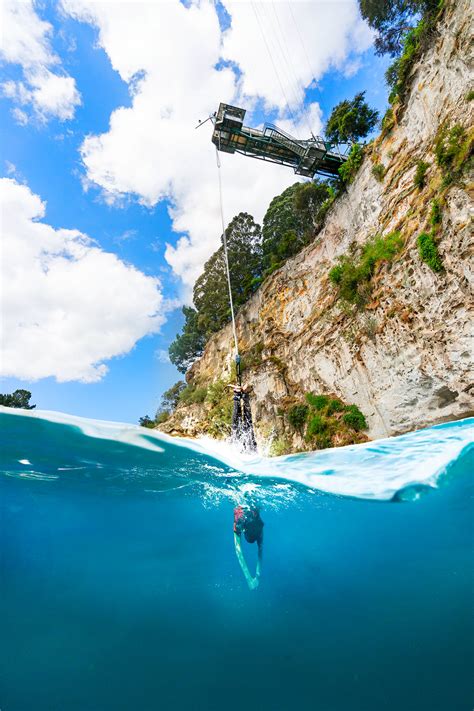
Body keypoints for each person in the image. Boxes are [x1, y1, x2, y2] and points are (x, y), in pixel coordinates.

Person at [233, 505, 264, 590]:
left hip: (250, 509)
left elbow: (238, 552)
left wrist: (253, 578)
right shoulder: (239, 524)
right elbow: (238, 551)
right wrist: (251, 578)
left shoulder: (259, 527)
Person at [228, 383, 257, 452]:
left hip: (249, 449)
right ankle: (241, 395)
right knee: (246, 426)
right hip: (248, 448)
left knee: (237, 428)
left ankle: (239, 395)